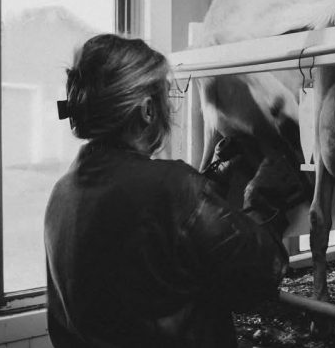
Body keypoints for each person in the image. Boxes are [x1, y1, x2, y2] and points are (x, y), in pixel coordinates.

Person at [44, 34, 304, 348]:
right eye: (167, 95)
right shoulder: (172, 187)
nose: (169, 106)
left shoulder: (63, 193)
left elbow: (157, 263)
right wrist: (264, 201)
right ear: (147, 110)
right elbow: (259, 278)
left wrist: (210, 184)